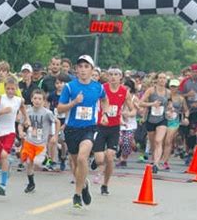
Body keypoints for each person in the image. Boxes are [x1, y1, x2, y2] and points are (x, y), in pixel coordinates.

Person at [57, 55, 109, 208]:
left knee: (82, 158)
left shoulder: (98, 87)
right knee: (75, 166)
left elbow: (105, 100)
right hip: (72, 129)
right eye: (80, 67)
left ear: (92, 70)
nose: (83, 70)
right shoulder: (69, 87)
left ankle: (77, 194)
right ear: (76, 70)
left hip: (89, 127)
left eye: (87, 67)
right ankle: (84, 184)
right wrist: (74, 102)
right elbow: (60, 108)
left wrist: (104, 113)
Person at [91, 67, 133, 195]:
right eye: (111, 74)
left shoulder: (124, 92)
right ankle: (96, 159)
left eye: (116, 74)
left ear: (121, 77)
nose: (113, 77)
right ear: (107, 76)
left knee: (110, 156)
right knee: (99, 160)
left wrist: (127, 113)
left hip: (114, 127)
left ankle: (105, 184)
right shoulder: (101, 88)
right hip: (100, 126)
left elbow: (133, 109)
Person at [0, 77, 29, 196]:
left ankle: (3, 184)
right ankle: (7, 166)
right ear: (4, 88)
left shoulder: (18, 100)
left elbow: (23, 108)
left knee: (4, 155)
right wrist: (2, 112)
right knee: (0, 159)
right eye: (8, 89)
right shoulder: (0, 98)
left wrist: (26, 119)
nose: (10, 91)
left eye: (13, 89)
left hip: (10, 131)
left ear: (16, 89)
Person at [18, 89, 57, 193]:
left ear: (44, 101)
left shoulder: (47, 113)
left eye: (40, 99)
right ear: (31, 99)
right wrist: (21, 132)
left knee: (37, 162)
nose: (37, 101)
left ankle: (46, 159)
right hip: (29, 141)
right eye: (35, 98)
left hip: (41, 143)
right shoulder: (28, 112)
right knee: (28, 163)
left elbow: (56, 122)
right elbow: (20, 124)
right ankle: (31, 183)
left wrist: (55, 135)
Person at [139, 72, 170, 174]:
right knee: (153, 143)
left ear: (166, 80)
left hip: (162, 119)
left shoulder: (168, 92)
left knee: (158, 141)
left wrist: (170, 110)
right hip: (150, 119)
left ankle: (156, 164)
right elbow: (140, 102)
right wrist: (152, 104)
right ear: (156, 79)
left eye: (164, 78)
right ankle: (154, 159)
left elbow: (170, 105)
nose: (162, 80)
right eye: (160, 78)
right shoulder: (151, 90)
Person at [161, 79, 189, 170]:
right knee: (161, 140)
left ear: (178, 88)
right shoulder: (164, 96)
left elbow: (186, 110)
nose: (173, 88)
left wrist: (186, 117)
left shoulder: (181, 98)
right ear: (169, 87)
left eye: (175, 87)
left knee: (168, 141)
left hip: (174, 121)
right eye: (172, 86)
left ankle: (165, 161)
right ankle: (159, 158)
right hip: (163, 119)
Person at [117, 80, 139, 168]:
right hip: (119, 123)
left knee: (126, 142)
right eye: (124, 87)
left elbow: (136, 111)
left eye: (128, 88)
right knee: (120, 141)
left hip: (130, 124)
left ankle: (123, 159)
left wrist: (128, 114)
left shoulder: (134, 98)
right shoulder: (119, 96)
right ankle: (120, 154)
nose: (126, 90)